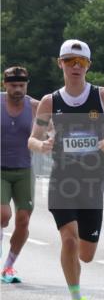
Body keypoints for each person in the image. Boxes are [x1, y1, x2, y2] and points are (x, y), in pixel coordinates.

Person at [27, 40, 104, 300]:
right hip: (62, 179)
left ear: (88, 66)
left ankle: (77, 284)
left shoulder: (102, 96)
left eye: (80, 62)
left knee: (86, 255)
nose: (75, 66)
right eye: (69, 60)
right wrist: (42, 145)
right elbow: (32, 139)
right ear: (60, 63)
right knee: (68, 241)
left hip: (93, 181)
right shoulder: (50, 102)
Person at [1, 66, 39, 284]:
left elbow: (51, 129)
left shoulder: (34, 106)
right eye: (13, 85)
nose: (18, 89)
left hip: (24, 170)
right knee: (3, 215)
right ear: (5, 85)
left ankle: (8, 267)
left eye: (21, 85)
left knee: (23, 221)